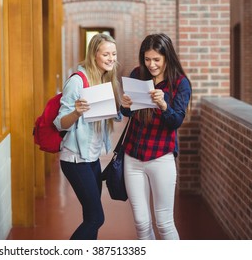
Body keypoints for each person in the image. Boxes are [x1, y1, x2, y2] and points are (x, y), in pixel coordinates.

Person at [120, 33, 192, 240]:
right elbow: (128, 114)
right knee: (141, 223)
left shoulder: (180, 83)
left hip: (161, 157)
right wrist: (125, 106)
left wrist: (163, 105)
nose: (151, 64)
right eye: (147, 59)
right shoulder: (137, 74)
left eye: (156, 60)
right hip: (133, 156)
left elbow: (176, 121)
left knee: (164, 222)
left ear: (167, 57)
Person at [53, 33, 122, 240]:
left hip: (92, 160)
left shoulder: (104, 79)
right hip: (75, 160)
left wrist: (121, 106)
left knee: (90, 217)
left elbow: (110, 115)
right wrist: (77, 112)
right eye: (106, 54)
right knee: (96, 218)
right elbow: (60, 122)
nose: (111, 58)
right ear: (94, 55)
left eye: (114, 54)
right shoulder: (77, 81)